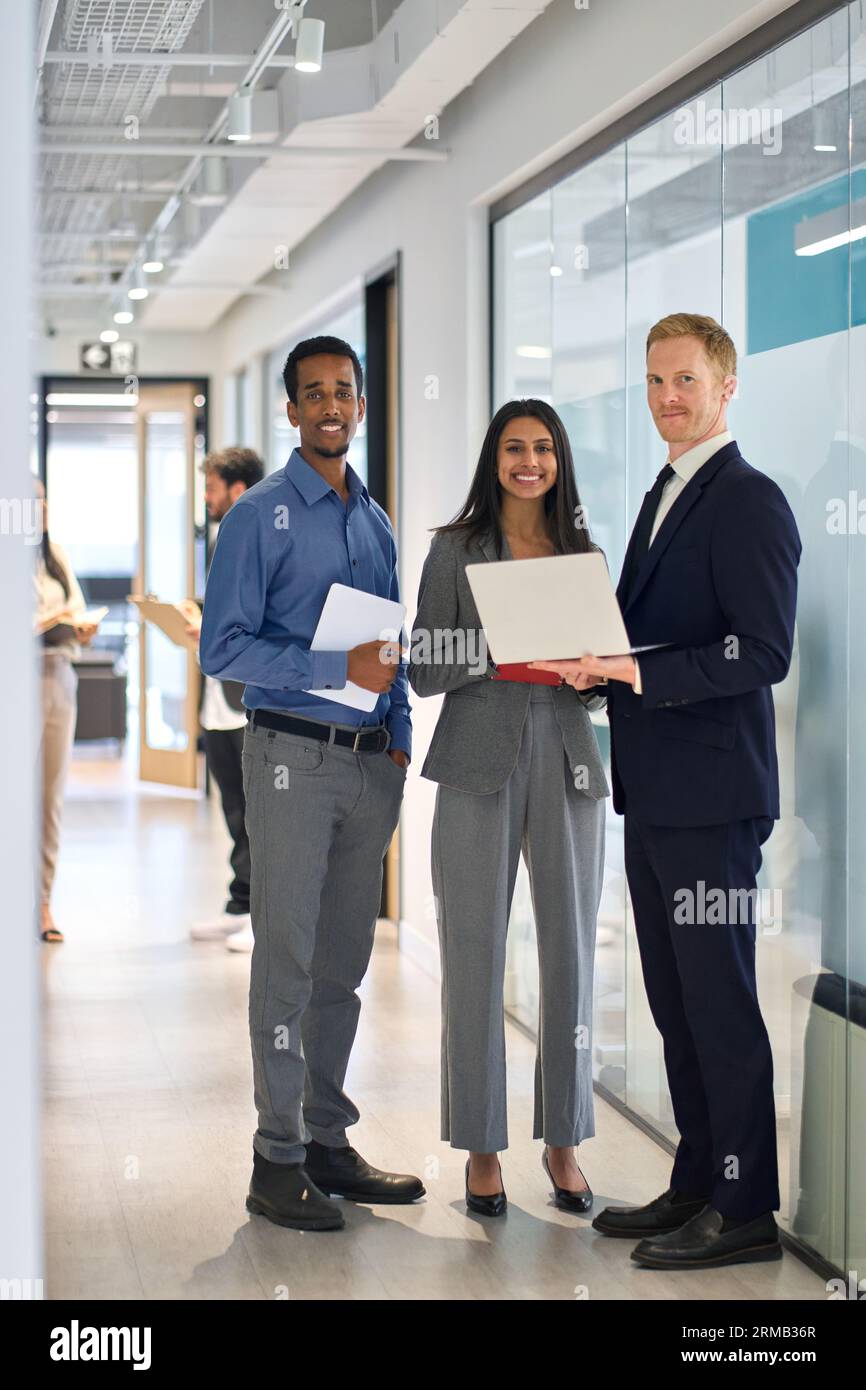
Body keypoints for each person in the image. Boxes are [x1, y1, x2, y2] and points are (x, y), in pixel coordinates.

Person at [533, 313, 801, 1269]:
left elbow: (761, 650)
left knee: (718, 1002)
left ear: (726, 388)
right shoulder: (664, 491)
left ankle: (747, 1212)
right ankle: (700, 1182)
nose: (667, 398)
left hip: (715, 801)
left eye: (685, 380)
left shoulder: (749, 498)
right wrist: (599, 670)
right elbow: (657, 638)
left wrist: (639, 674)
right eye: (653, 381)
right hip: (654, 792)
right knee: (674, 1001)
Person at [199, 335, 424, 1231]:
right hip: (291, 758)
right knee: (287, 965)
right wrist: (337, 661)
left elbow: (392, 651)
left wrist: (400, 738)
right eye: (313, 393)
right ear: (291, 410)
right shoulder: (256, 516)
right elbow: (225, 650)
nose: (331, 406)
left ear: (360, 407)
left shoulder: (375, 521)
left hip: (371, 770)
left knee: (343, 968)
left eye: (345, 392)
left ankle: (327, 1140)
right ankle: (276, 1157)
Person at [409, 400, 609, 1216]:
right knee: (474, 955)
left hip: (566, 760)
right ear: (494, 459)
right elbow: (423, 665)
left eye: (544, 449)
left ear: (560, 461)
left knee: (570, 960)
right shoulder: (454, 550)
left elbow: (598, 694)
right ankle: (482, 1149)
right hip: (476, 759)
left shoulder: (582, 551)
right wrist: (505, 646)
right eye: (515, 448)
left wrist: (593, 675)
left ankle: (564, 1141)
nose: (530, 461)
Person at [184, 447, 265, 954]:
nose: (207, 498)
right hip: (219, 699)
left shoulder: (261, 535)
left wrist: (208, 627)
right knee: (234, 809)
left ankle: (264, 915)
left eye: (211, 487)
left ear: (236, 488)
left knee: (259, 813)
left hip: (249, 699)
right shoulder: (223, 538)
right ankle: (241, 904)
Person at [33, 478, 100, 942]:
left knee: (49, 798)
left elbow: (75, 606)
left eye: (39, 501)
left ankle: (41, 905)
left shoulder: (55, 554)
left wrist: (76, 627)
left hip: (57, 676)